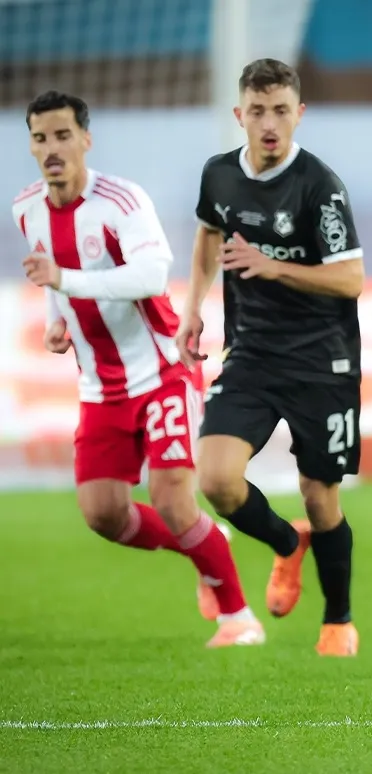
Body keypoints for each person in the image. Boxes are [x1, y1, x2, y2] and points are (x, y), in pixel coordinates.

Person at [16, 90, 264, 648]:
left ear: (85, 139)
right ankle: (207, 542)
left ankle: (238, 619)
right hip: (99, 387)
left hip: (161, 372)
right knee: (104, 515)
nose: (52, 148)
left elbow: (151, 276)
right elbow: (52, 279)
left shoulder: (121, 202)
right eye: (40, 138)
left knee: (175, 501)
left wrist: (65, 284)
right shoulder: (26, 209)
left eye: (62, 135)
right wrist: (59, 317)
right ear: (30, 146)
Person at [177, 59, 365, 657]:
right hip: (251, 354)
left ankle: (338, 621)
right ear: (240, 115)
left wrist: (272, 265)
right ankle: (287, 544)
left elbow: (353, 278)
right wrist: (193, 306)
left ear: (298, 114)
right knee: (216, 479)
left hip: (322, 361)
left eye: (281, 110)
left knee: (321, 495)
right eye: (257, 111)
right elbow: (209, 232)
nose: (269, 123)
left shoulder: (320, 185)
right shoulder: (218, 175)